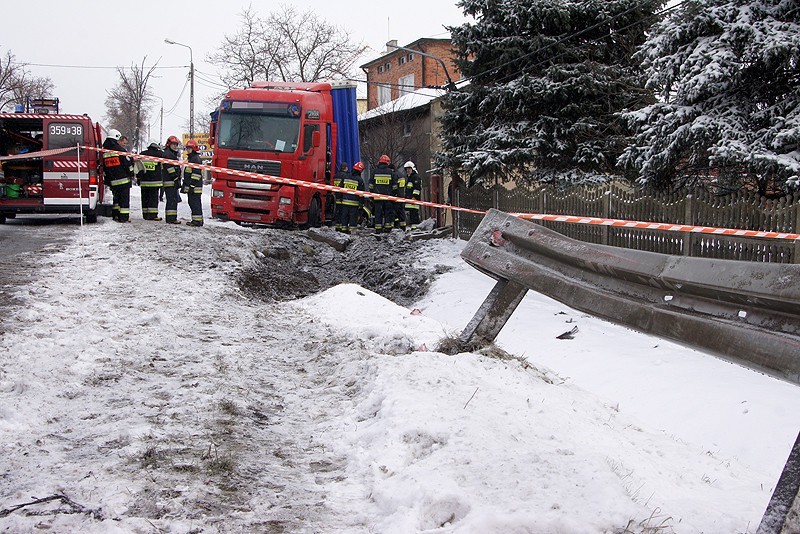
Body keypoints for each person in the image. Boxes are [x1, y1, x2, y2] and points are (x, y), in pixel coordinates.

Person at [101, 129, 133, 222]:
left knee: (116, 199)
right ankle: (123, 217)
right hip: (123, 180)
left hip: (113, 180)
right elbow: (127, 164)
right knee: (124, 200)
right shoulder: (120, 150)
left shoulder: (104, 151)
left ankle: (115, 215)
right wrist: (131, 173)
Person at [136, 141, 164, 220]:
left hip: (144, 180)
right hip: (155, 181)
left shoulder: (142, 154)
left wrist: (138, 178)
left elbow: (138, 167)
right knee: (153, 198)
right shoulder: (160, 154)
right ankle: (153, 215)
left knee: (145, 197)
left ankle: (145, 214)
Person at [369, 154, 395, 233]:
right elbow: (394, 186)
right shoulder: (390, 172)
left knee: (378, 213)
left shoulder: (374, 171)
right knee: (387, 212)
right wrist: (393, 194)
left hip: (377, 197)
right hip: (388, 197)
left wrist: (372, 194)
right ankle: (387, 228)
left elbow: (371, 185)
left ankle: (378, 228)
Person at [181, 139, 204, 227]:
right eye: (187, 148)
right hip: (193, 187)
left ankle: (197, 221)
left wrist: (192, 185)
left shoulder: (195, 159)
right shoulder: (192, 158)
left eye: (189, 148)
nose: (188, 150)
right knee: (193, 203)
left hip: (195, 187)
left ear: (194, 148)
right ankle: (196, 220)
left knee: (195, 203)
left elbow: (196, 174)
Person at [339, 161, 365, 234]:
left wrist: (340, 198)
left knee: (344, 217)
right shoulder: (359, 180)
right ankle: (352, 232)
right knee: (352, 219)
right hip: (354, 204)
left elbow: (340, 189)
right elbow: (361, 193)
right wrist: (361, 204)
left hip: (344, 202)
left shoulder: (345, 176)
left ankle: (343, 231)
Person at [161, 135, 182, 224]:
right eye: (173, 144)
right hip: (170, 181)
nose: (175, 146)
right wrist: (176, 178)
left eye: (176, 144)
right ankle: (171, 218)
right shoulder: (168, 154)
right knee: (172, 200)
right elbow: (169, 168)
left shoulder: (170, 153)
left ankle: (171, 217)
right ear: (169, 144)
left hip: (170, 180)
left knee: (172, 199)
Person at [403, 161, 422, 230]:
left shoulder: (415, 177)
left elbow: (417, 189)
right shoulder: (410, 178)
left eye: (409, 169)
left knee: (414, 214)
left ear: (413, 169)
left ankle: (415, 227)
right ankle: (413, 227)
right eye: (407, 169)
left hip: (413, 199)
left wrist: (414, 197)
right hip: (409, 199)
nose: (408, 170)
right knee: (412, 213)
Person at [332, 162, 349, 232]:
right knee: (343, 213)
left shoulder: (336, 175)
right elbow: (343, 187)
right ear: (345, 168)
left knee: (337, 212)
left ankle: (337, 226)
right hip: (342, 197)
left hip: (336, 196)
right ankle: (342, 227)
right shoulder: (345, 176)